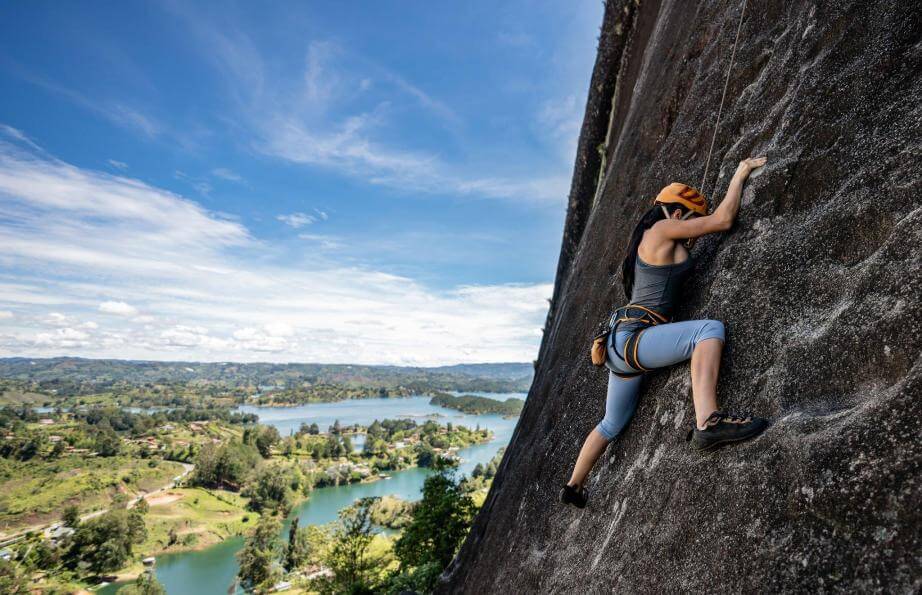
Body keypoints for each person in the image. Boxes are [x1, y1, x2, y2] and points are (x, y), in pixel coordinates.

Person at [560, 157, 770, 509]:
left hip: (620, 345)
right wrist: (740, 173)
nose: (690, 228)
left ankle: (574, 485)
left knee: (612, 422)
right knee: (709, 330)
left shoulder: (654, 239)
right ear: (675, 213)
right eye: (688, 218)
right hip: (634, 340)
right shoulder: (659, 230)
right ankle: (708, 421)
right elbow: (722, 220)